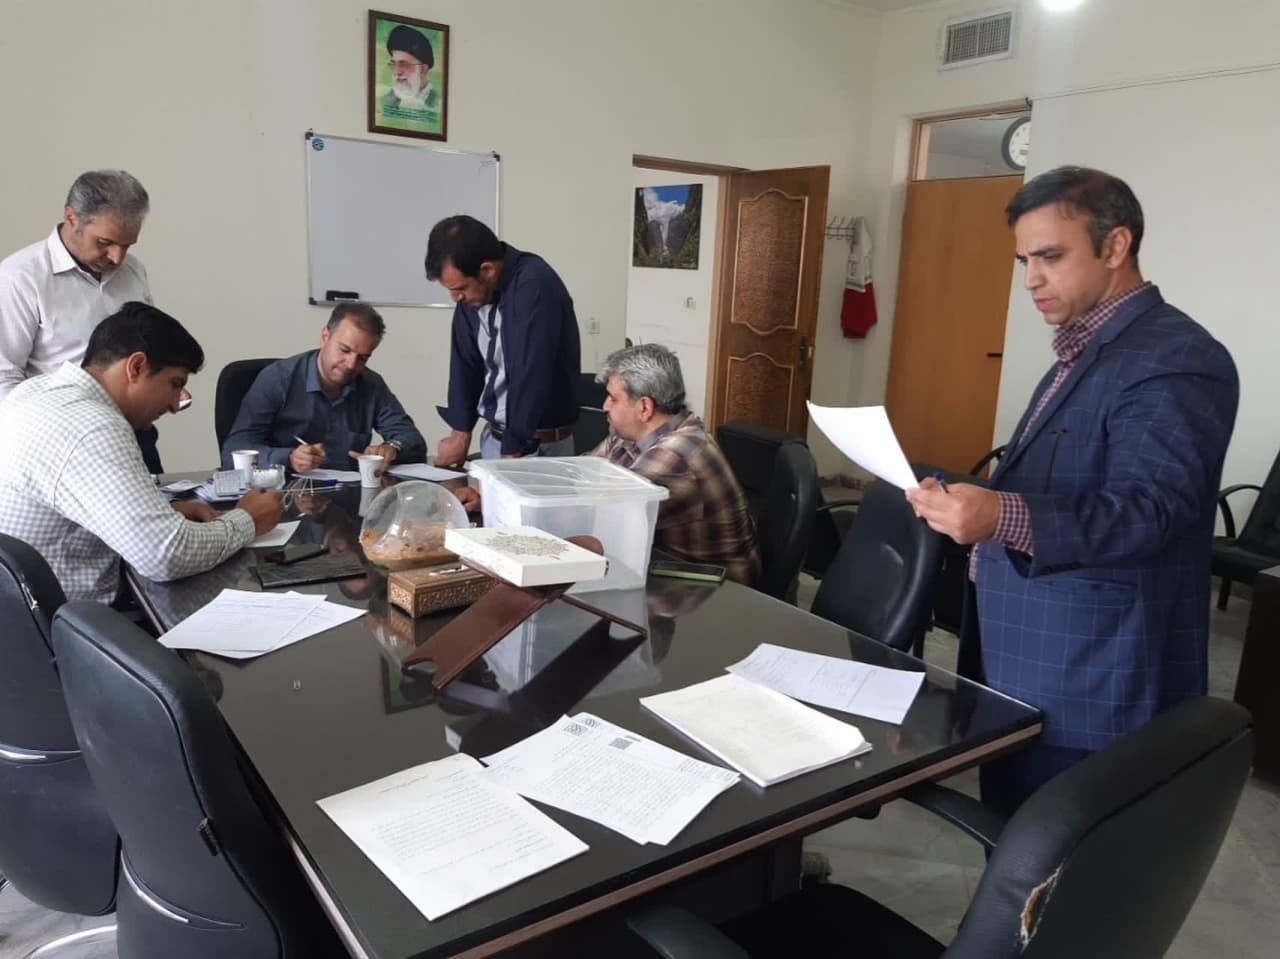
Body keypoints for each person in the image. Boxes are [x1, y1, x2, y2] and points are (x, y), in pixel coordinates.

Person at [905, 166, 1239, 816]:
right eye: (1024, 260)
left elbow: (1151, 510)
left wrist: (999, 514)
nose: (1031, 279)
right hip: (1028, 657)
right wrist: (972, 501)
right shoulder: (1086, 349)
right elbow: (1060, 480)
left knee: (1057, 861)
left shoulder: (1175, 358)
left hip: (1093, 683)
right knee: (1016, 844)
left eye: (1050, 257)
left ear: (1115, 246)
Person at [0, 302, 282, 604]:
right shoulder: (92, 425)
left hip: (19, 614)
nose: (175, 404)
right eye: (175, 384)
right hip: (70, 620)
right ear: (136, 367)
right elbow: (165, 556)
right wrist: (248, 519)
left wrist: (161, 512)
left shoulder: (37, 391)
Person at [0, 169, 167, 472]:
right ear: (71, 218)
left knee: (161, 502)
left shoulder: (133, 272)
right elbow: (4, 380)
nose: (116, 257)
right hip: (60, 443)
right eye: (105, 242)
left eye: (127, 245)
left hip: (133, 434)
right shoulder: (20, 279)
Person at [592, 343, 761, 586]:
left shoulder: (677, 456)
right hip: (664, 568)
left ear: (644, 407)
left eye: (613, 398)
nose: (605, 406)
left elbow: (603, 523)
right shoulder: (631, 433)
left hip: (712, 590)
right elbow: (582, 477)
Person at [426, 215, 580, 463]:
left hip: (535, 448)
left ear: (487, 270)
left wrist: (514, 449)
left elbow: (529, 372)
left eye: (460, 288)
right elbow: (465, 362)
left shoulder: (534, 285)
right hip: (496, 438)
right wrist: (460, 432)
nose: (456, 299)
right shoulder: (475, 295)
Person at [221, 302, 426, 474]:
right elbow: (233, 451)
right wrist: (289, 458)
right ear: (325, 336)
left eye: (363, 358)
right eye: (345, 350)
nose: (351, 365)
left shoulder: (371, 384)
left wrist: (392, 447)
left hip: (349, 496)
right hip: (285, 495)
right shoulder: (277, 379)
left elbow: (412, 439)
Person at [382, 25, 441, 118]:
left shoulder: (438, 103)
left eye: (403, 64)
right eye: (393, 64)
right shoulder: (385, 101)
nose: (396, 72)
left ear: (423, 69)